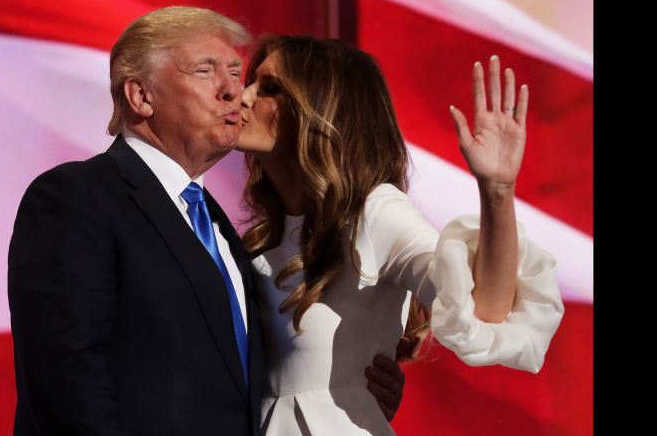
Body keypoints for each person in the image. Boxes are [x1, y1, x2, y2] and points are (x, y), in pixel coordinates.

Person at [8, 7, 404, 436]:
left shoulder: (221, 232)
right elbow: (66, 383)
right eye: (205, 71)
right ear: (141, 96)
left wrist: (341, 388)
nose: (234, 91)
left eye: (236, 72)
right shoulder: (76, 197)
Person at [237, 35, 565, 435]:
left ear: (320, 109)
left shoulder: (374, 213)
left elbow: (483, 309)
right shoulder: (253, 240)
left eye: (269, 88)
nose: (244, 96)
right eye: (250, 82)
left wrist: (497, 190)